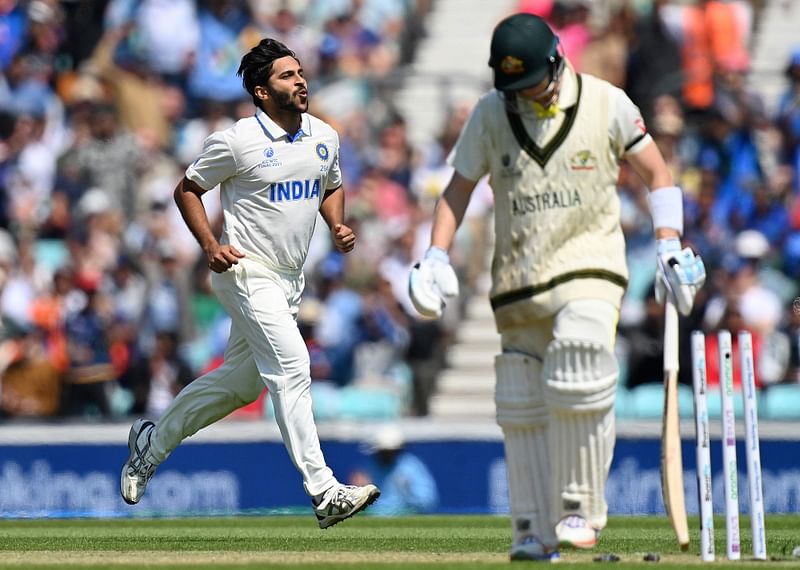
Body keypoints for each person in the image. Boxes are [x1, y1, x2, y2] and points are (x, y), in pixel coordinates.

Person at [408, 13, 705, 562]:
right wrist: (434, 255)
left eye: (530, 85)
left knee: (581, 353)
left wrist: (668, 243)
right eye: (511, 88)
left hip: (591, 266)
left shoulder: (606, 103)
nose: (521, 97)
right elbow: (457, 190)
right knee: (520, 398)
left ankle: (580, 509)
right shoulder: (491, 113)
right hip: (519, 281)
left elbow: (658, 175)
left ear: (557, 61)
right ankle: (532, 529)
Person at [119, 38, 380, 529]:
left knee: (240, 386)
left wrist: (337, 224)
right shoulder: (236, 140)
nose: (300, 80)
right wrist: (210, 246)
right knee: (293, 365)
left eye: (300, 72)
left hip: (288, 280)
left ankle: (150, 444)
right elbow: (188, 189)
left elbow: (331, 184)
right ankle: (324, 491)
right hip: (243, 270)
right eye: (287, 75)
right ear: (262, 91)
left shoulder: (324, 135)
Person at [349, 425, 438, 515]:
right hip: (372, 517)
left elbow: (427, 501)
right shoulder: (368, 468)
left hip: (406, 517)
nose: (387, 455)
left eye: (391, 451)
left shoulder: (411, 467)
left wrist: (407, 492)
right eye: (383, 451)